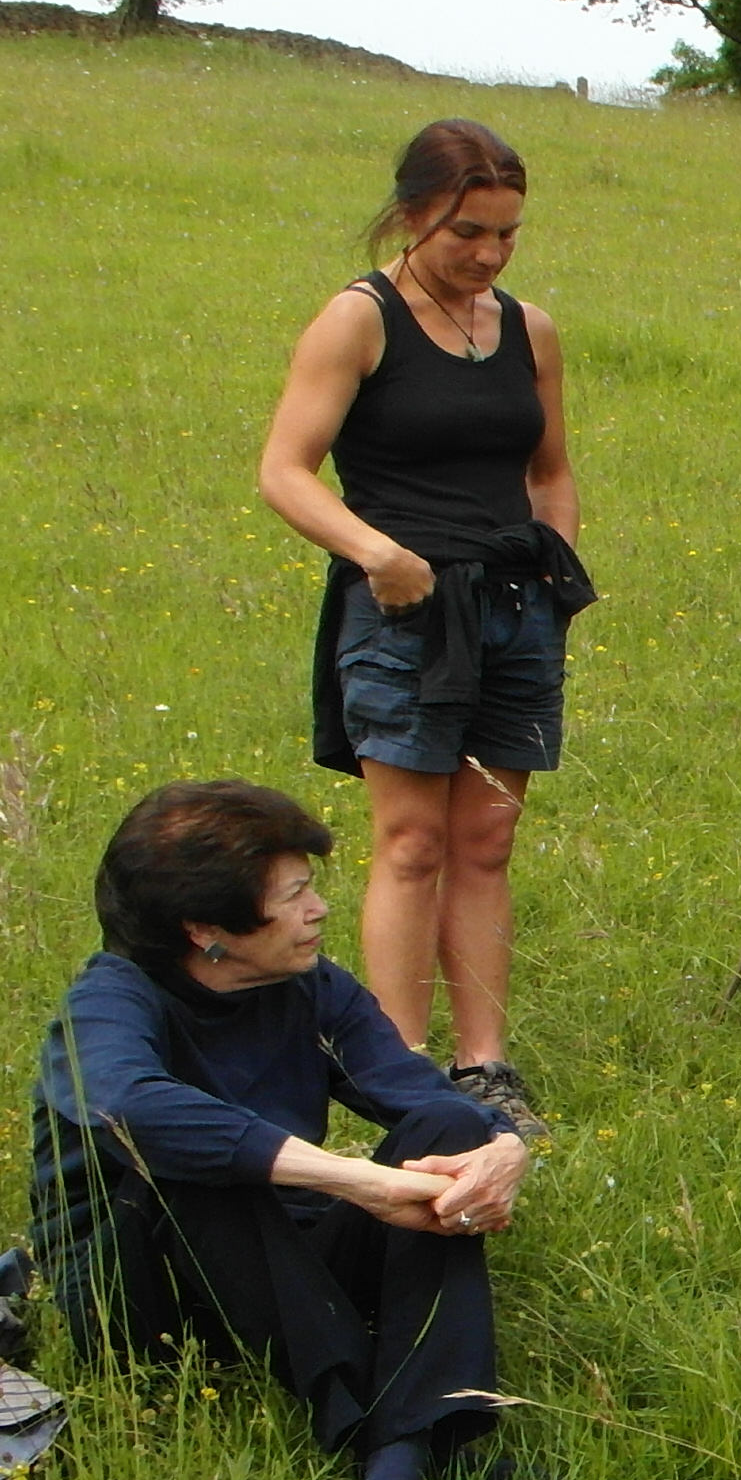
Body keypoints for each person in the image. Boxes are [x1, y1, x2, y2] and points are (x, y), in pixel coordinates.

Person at [30, 782, 528, 1480]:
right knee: (195, 1164)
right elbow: (131, 1107)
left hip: (278, 1259)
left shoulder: (310, 987)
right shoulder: (109, 1004)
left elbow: (412, 1090)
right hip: (149, 1297)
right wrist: (357, 1181)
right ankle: (404, 1456)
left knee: (444, 1124)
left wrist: (502, 1147)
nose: (319, 909)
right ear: (206, 930)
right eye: (294, 896)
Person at [257, 119, 586, 1133]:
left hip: (515, 608)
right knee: (410, 842)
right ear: (412, 218)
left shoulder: (526, 329)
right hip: (401, 611)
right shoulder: (358, 320)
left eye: (505, 235)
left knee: (486, 836)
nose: (486, 256)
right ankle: (401, 1072)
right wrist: (378, 554)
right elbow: (283, 471)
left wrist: (555, 567)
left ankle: (483, 1064)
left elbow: (549, 471)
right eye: (464, 234)